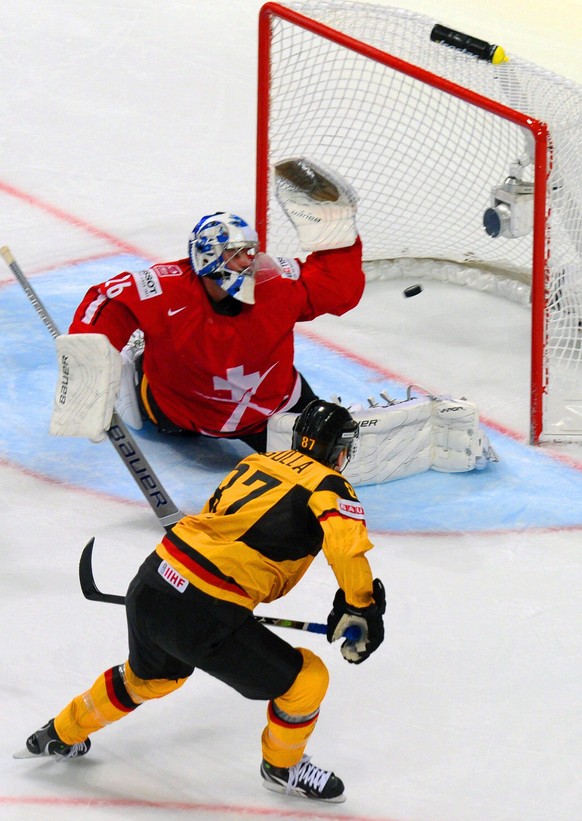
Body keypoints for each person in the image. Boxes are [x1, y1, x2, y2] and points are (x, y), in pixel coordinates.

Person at [20, 400, 385, 803]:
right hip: (204, 610)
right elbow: (347, 551)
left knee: (151, 678)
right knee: (307, 679)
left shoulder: (259, 463)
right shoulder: (330, 485)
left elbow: (221, 527)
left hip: (154, 579)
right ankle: (282, 768)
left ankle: (60, 733)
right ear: (339, 450)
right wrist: (361, 606)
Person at [60, 157, 364, 452]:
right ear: (207, 258)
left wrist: (334, 231)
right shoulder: (166, 288)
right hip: (176, 412)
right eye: (236, 253)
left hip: (270, 414)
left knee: (321, 452)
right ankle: (134, 368)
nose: (249, 261)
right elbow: (108, 301)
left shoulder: (275, 283)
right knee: (153, 407)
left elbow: (337, 288)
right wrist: (89, 367)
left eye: (251, 251)